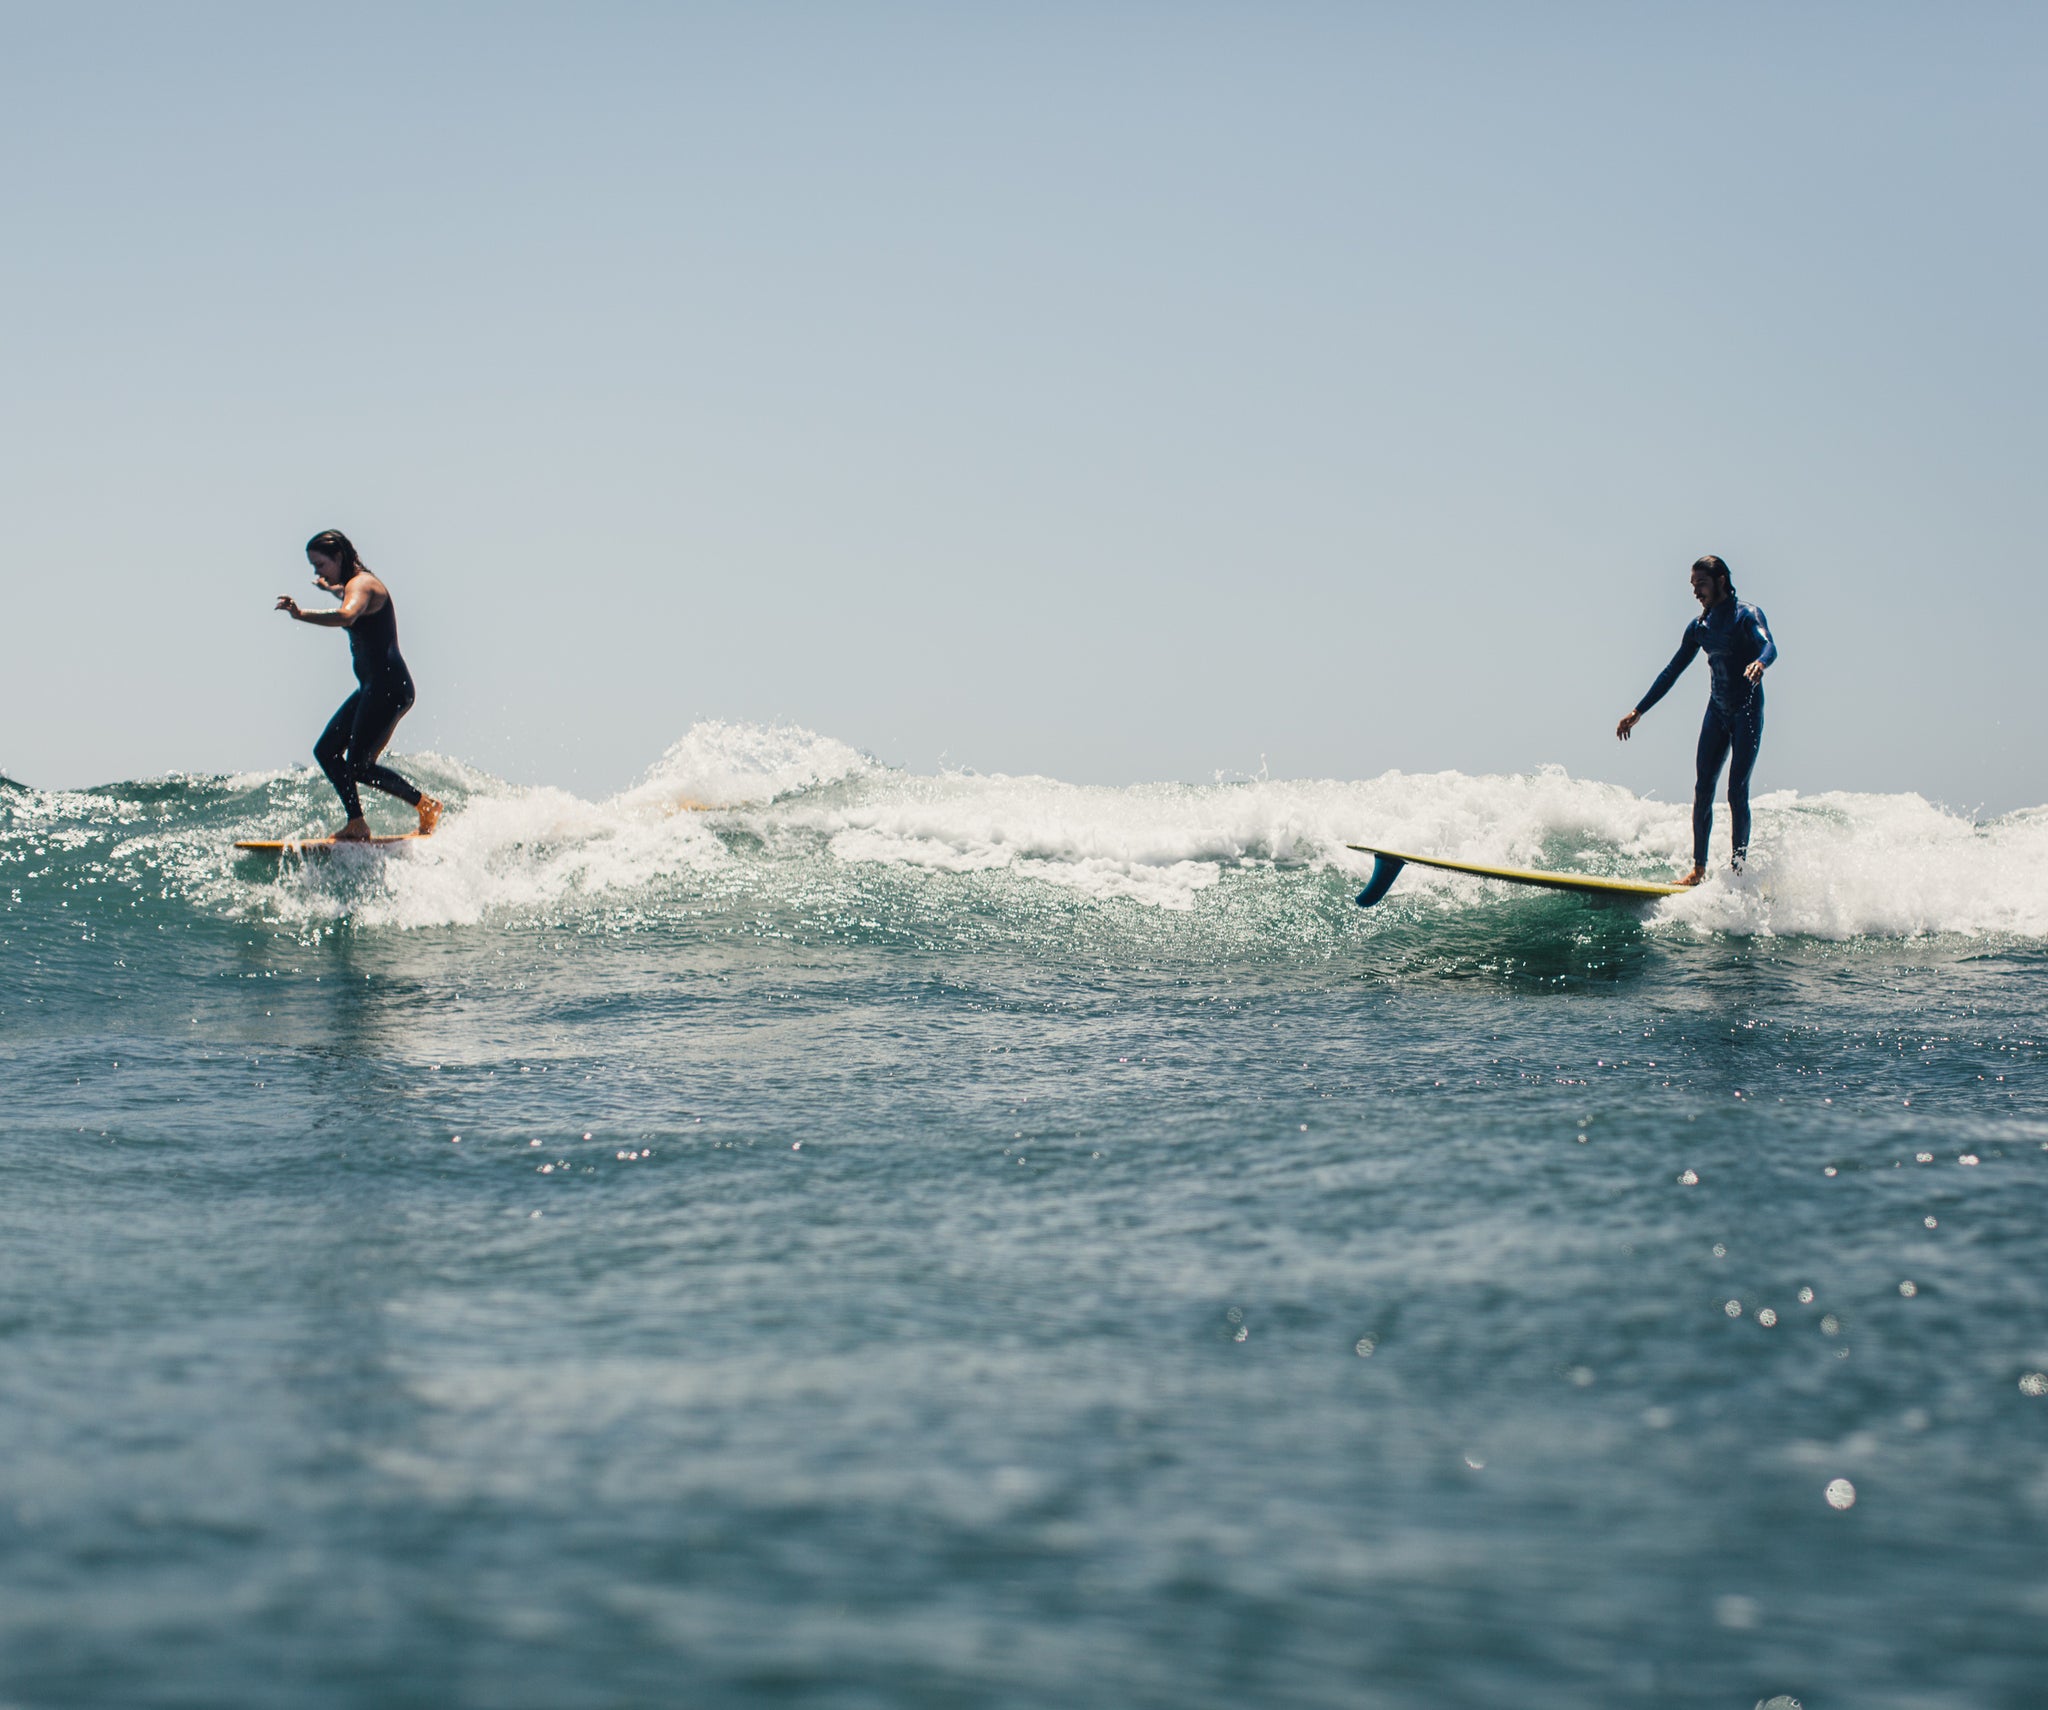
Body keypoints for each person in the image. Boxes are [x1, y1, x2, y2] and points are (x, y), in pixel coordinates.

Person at [1615, 553, 1777, 886]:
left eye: (1700, 584)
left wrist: (1760, 664)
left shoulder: (1748, 615)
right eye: (1692, 585)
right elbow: (1672, 671)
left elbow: (1769, 646)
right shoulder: (1700, 627)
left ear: (1720, 581)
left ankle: (1738, 870)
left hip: (1746, 711)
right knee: (1703, 789)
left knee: (1736, 792)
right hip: (1716, 712)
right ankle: (1698, 870)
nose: (1695, 592)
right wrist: (1639, 710)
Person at [275, 530, 443, 841]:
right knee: (326, 751)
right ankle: (357, 823)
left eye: (320, 564)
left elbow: (348, 614)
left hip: (390, 687)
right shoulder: (354, 585)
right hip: (373, 687)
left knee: (360, 766)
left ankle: (426, 805)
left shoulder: (364, 585)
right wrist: (330, 588)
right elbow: (345, 596)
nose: (316, 571)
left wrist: (300, 614)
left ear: (338, 557)